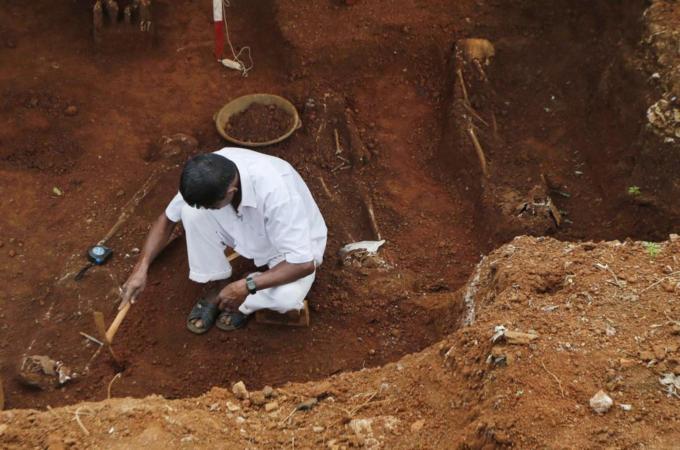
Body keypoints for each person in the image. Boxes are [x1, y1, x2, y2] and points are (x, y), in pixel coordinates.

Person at [119, 147, 327, 333]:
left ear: (230, 192)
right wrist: (141, 268)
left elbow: (303, 263)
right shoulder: (208, 171)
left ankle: (247, 297)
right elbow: (166, 220)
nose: (206, 209)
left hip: (287, 249)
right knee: (191, 212)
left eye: (210, 205)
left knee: (286, 298)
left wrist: (246, 286)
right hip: (249, 229)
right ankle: (219, 283)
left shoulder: (277, 193)